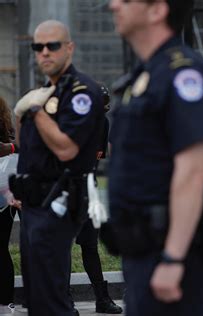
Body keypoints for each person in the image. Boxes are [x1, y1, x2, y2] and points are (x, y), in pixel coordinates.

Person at [107, 1, 203, 315]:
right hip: (142, 248)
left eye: (127, 0)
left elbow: (193, 172)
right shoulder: (147, 73)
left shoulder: (183, 73)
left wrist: (173, 257)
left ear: (157, 10)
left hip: (171, 252)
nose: (113, 4)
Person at [12, 20, 105, 315]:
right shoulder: (46, 90)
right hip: (33, 202)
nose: (44, 52)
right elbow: (27, 146)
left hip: (58, 200)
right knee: (37, 296)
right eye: (38, 47)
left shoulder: (80, 92)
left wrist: (35, 111)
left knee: (53, 298)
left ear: (69, 48)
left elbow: (66, 149)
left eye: (52, 45)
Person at [72, 84, 122, 314]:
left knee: (90, 245)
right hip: (64, 190)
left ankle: (102, 298)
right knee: (61, 247)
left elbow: (98, 158)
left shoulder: (103, 123)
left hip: (88, 189)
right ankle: (64, 299)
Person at [0, 96, 19, 315]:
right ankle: (6, 302)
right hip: (6, 193)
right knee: (2, 249)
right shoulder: (8, 124)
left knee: (1, 249)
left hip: (3, 194)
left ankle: (6, 302)